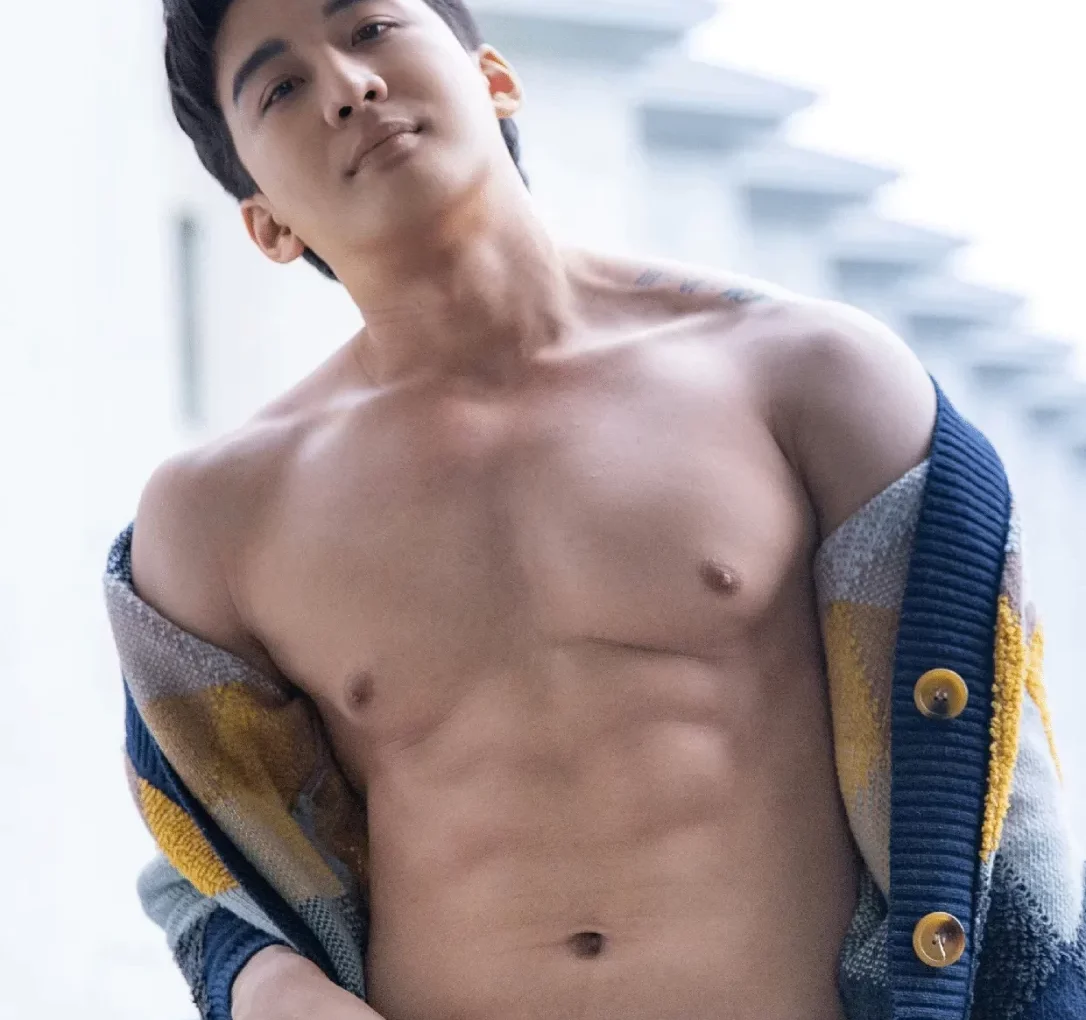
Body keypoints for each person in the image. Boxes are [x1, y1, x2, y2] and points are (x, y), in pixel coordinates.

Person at [104, 1, 1085, 1019]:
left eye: (372, 29)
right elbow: (208, 853)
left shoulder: (814, 377)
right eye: (281, 87)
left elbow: (1000, 814)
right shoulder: (219, 523)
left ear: (495, 79)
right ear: (264, 221)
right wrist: (269, 989)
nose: (349, 88)